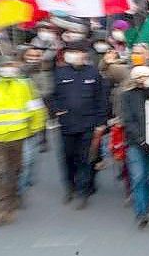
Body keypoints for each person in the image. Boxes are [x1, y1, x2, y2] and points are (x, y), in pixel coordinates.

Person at [0, 56, 40, 226]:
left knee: (16, 171)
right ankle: (0, 211)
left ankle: (13, 199)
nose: (8, 68)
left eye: (11, 65)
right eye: (5, 66)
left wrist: (36, 127)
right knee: (0, 174)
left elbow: (36, 106)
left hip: (19, 136)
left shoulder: (25, 84)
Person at [50, 42, 107, 210]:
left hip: (88, 124)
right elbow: (52, 96)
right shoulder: (60, 73)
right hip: (67, 124)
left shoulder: (93, 73)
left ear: (84, 54)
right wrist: (56, 110)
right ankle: (70, 187)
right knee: (68, 158)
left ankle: (83, 192)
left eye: (77, 52)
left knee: (86, 159)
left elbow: (101, 99)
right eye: (71, 52)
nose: (74, 55)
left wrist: (101, 123)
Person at [120, 65, 149, 228]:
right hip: (135, 144)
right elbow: (128, 120)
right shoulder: (127, 96)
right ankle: (141, 212)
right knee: (138, 177)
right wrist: (140, 140)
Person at [18, 48, 50, 194]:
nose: (33, 58)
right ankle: (22, 186)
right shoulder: (18, 72)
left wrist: (30, 93)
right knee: (24, 156)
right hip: (17, 120)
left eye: (36, 56)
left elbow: (46, 91)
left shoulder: (42, 73)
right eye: (30, 55)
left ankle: (29, 174)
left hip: (34, 119)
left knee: (30, 156)